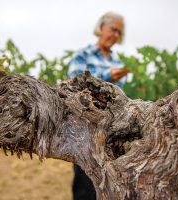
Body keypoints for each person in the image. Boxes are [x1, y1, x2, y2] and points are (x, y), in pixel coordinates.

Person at [68, 11, 130, 200]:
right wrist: (108, 77)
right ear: (101, 27)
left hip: (110, 131)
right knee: (85, 186)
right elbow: (75, 84)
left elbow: (116, 98)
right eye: (113, 29)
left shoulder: (117, 62)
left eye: (119, 32)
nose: (116, 35)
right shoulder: (82, 55)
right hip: (84, 131)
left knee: (109, 184)